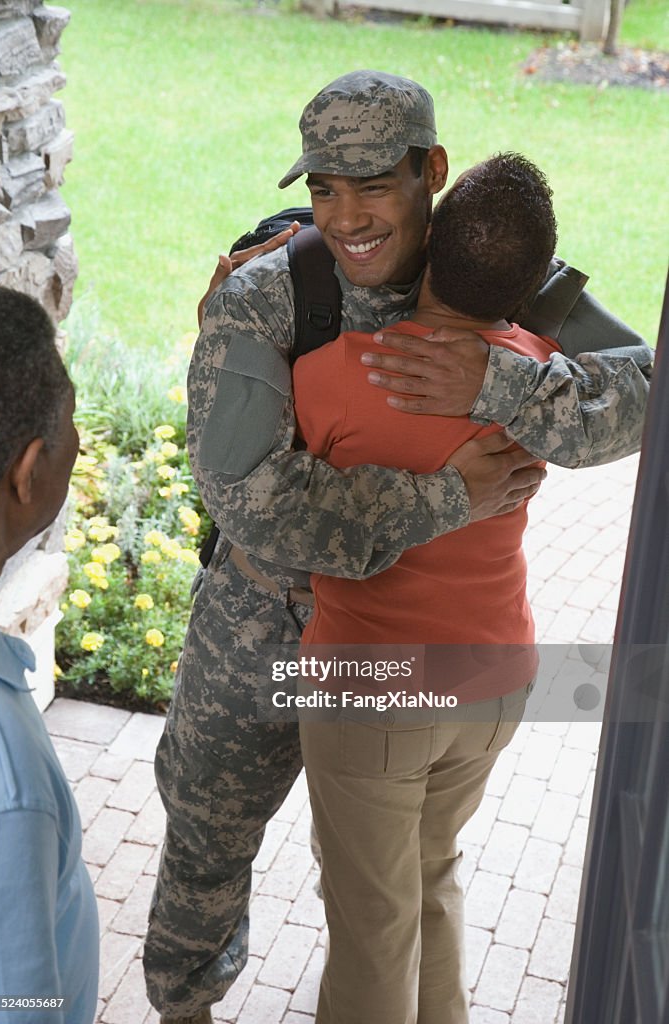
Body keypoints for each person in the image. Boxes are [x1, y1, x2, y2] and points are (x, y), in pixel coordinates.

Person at [144, 71, 652, 1024]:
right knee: (208, 837)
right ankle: (184, 1010)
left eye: (372, 183)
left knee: (396, 889)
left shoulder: (496, 279)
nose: (346, 215)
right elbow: (246, 497)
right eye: (322, 188)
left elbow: (641, 390)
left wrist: (504, 382)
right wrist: (442, 499)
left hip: (398, 654)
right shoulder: (262, 294)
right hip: (259, 622)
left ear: (432, 173)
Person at [293, 151, 560, 1024]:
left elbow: (261, 490)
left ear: (430, 238)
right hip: (495, 677)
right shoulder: (540, 377)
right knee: (430, 874)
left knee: (373, 919)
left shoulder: (333, 377)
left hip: (375, 689)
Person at [0, 286, 99, 1024]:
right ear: (28, 472)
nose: (79, 442)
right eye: (69, 424)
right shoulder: (8, 782)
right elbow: (19, 1004)